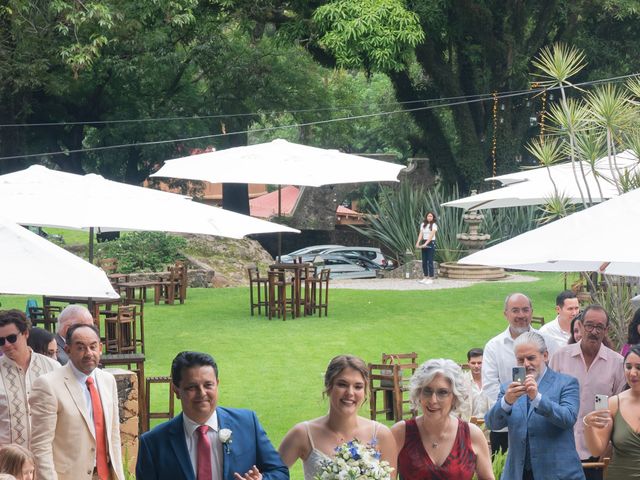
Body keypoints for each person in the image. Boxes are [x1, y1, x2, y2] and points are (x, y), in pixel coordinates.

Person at [136, 351, 288, 480]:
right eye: (192, 387)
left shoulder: (247, 423)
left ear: (217, 384)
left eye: (208, 385)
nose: (202, 393)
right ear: (176, 390)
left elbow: (280, 472)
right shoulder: (153, 444)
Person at [30, 324, 125, 480]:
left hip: (106, 474)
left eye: (93, 347)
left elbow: (113, 435)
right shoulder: (48, 385)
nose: (89, 353)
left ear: (100, 347)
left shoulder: (108, 380)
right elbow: (41, 447)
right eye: (81, 348)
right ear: (68, 350)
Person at [484, 332, 584, 480]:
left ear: (545, 356)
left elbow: (568, 418)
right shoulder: (508, 389)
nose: (526, 364)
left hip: (558, 474)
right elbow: (492, 423)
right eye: (520, 359)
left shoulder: (566, 383)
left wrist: (538, 399)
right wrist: (506, 402)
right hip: (518, 474)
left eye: (531, 358)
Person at [278, 355, 397, 479]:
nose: (350, 393)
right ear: (328, 387)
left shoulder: (381, 435)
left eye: (358, 387)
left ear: (365, 391)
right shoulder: (302, 434)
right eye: (342, 384)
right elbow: (271, 475)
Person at [549, 304, 625, 480]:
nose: (594, 331)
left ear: (606, 330)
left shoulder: (617, 363)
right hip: (562, 448)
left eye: (599, 327)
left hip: (597, 452)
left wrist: (609, 447)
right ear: (581, 326)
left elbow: (619, 412)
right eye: (589, 325)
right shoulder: (560, 357)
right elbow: (550, 401)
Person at [392, 359, 493, 480]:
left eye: (442, 392)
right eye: (427, 391)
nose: (433, 400)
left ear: (455, 397)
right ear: (419, 393)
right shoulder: (400, 433)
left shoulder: (472, 435)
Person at [482, 293, 536, 455]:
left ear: (531, 312)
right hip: (505, 428)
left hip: (539, 427)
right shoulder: (494, 346)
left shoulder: (545, 341)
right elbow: (490, 387)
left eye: (525, 310)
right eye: (515, 310)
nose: (521, 315)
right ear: (506, 314)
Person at [0, 310, 58, 448]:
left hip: (49, 460)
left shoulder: (52, 368)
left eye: (12, 338)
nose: (6, 344)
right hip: (8, 464)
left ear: (25, 333)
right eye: (1, 340)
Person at [583, 344, 640, 479]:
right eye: (628, 367)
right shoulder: (614, 403)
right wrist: (587, 425)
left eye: (639, 367)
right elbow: (596, 450)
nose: (632, 373)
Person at [540, 290, 580, 354]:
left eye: (576, 308)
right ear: (558, 309)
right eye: (570, 309)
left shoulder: (584, 330)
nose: (574, 313)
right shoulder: (545, 333)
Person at [464, 348, 491, 419]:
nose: (476, 366)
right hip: (469, 426)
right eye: (473, 363)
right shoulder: (462, 382)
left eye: (479, 363)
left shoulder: (491, 381)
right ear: (468, 363)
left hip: (489, 426)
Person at [415, 211, 438, 284]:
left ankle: (431, 278)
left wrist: (426, 243)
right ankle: (425, 277)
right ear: (426, 217)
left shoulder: (434, 225)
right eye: (428, 216)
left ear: (433, 217)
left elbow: (431, 235)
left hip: (431, 242)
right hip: (424, 242)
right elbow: (421, 234)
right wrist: (418, 242)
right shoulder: (423, 224)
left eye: (431, 216)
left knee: (430, 261)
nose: (429, 217)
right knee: (424, 261)